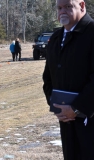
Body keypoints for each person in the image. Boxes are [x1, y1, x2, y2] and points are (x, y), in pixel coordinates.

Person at [42, 0, 94, 159]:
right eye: (59, 8)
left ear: (82, 6)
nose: (62, 11)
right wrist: (56, 105)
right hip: (65, 119)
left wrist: (77, 108)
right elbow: (48, 76)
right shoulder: (56, 37)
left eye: (68, 6)